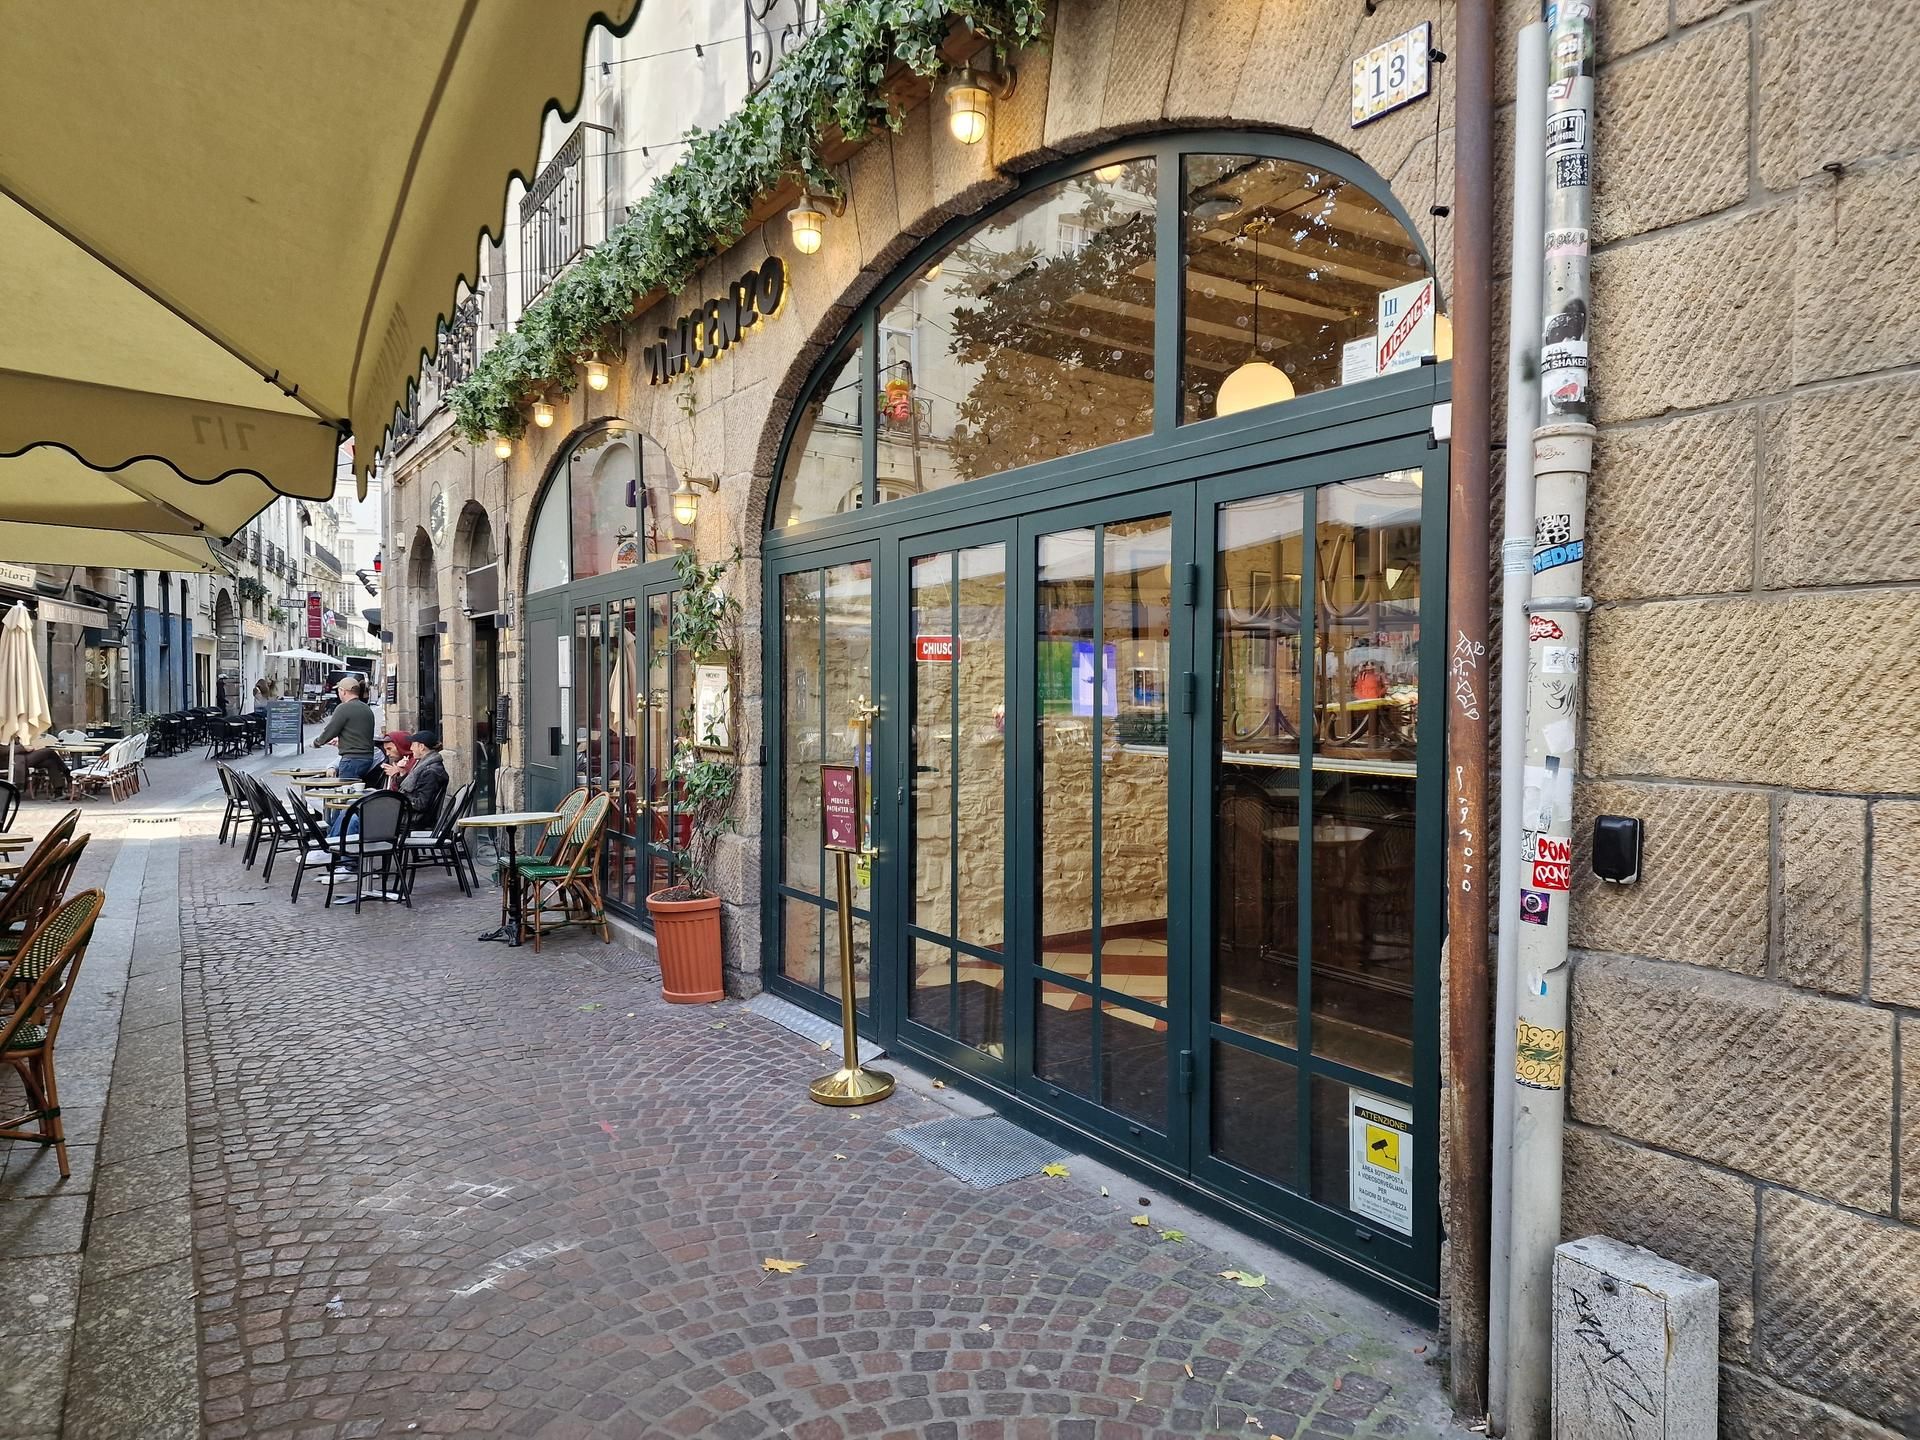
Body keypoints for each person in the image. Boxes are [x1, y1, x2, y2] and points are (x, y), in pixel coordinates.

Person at [314, 676, 377, 782]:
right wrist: (343, 740)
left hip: (351, 759)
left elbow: (330, 730)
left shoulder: (343, 708)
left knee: (345, 792)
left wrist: (317, 742)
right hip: (367, 758)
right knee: (355, 791)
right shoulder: (367, 709)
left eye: (338, 690)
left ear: (343, 691)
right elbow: (359, 734)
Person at [399, 731, 449, 830]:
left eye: (413, 745)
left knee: (369, 815)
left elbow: (421, 804)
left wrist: (400, 798)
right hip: (413, 816)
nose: (410, 748)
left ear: (421, 747)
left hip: (415, 819)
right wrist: (402, 773)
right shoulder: (424, 765)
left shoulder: (430, 772)